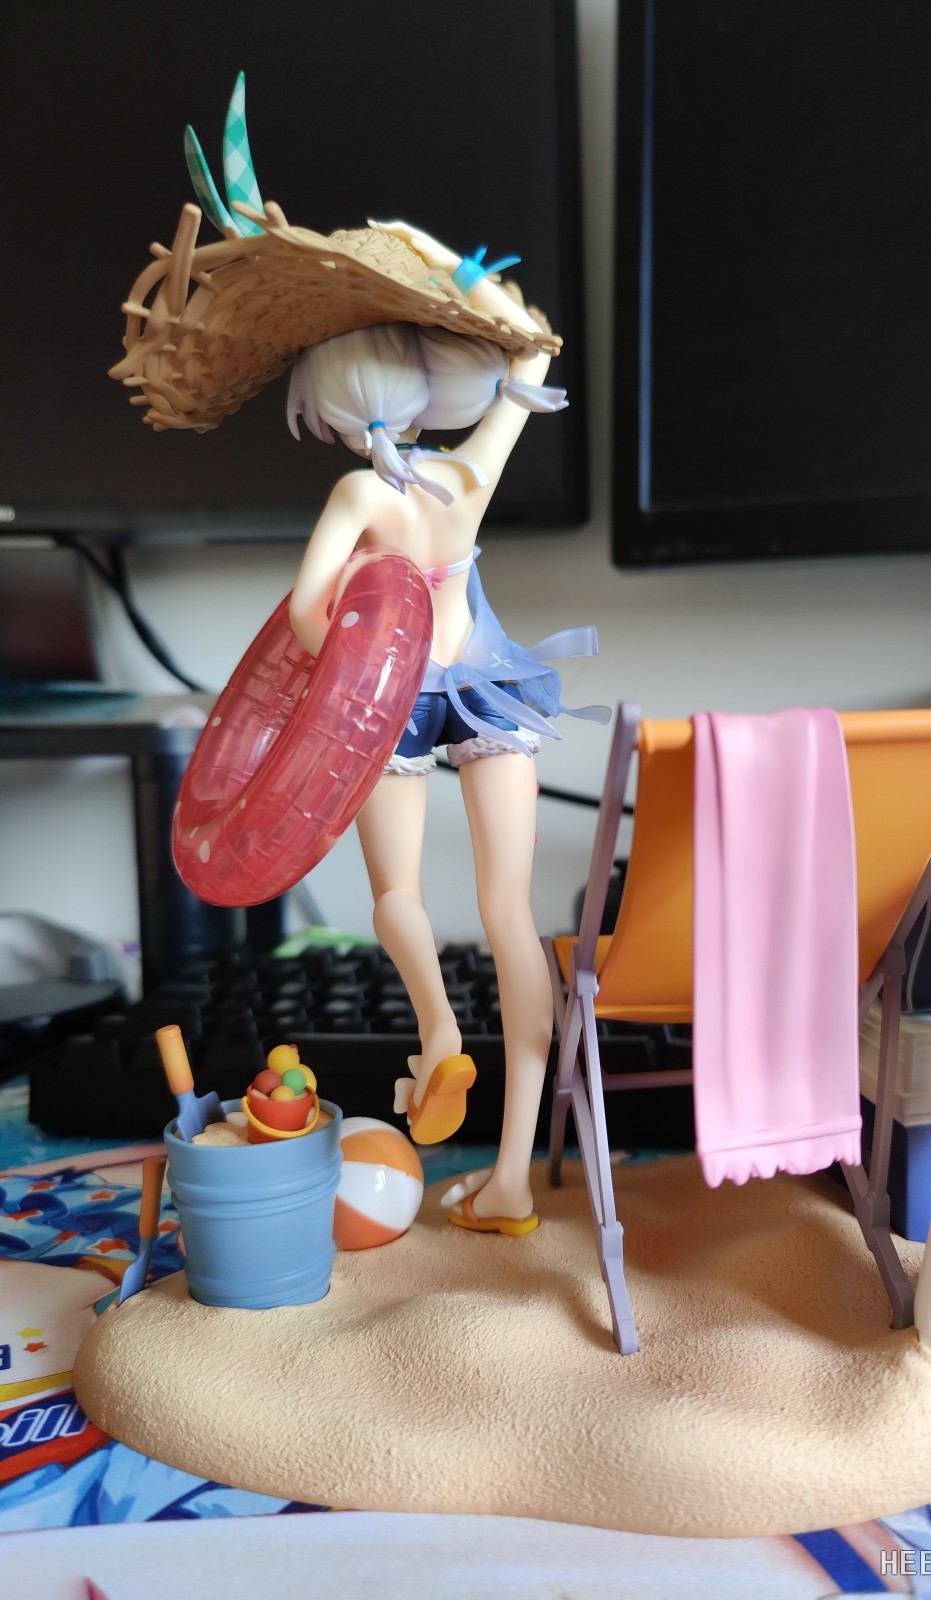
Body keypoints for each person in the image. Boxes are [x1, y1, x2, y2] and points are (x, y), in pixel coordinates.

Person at [284, 222, 600, 1235]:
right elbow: (534, 351)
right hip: (489, 689)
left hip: (393, 701)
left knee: (396, 895)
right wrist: (445, 268)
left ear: (337, 410)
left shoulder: (359, 491)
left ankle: (438, 1028)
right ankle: (511, 1179)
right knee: (510, 912)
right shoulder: (464, 479)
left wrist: (353, 639)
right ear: (418, 385)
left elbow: (307, 616)